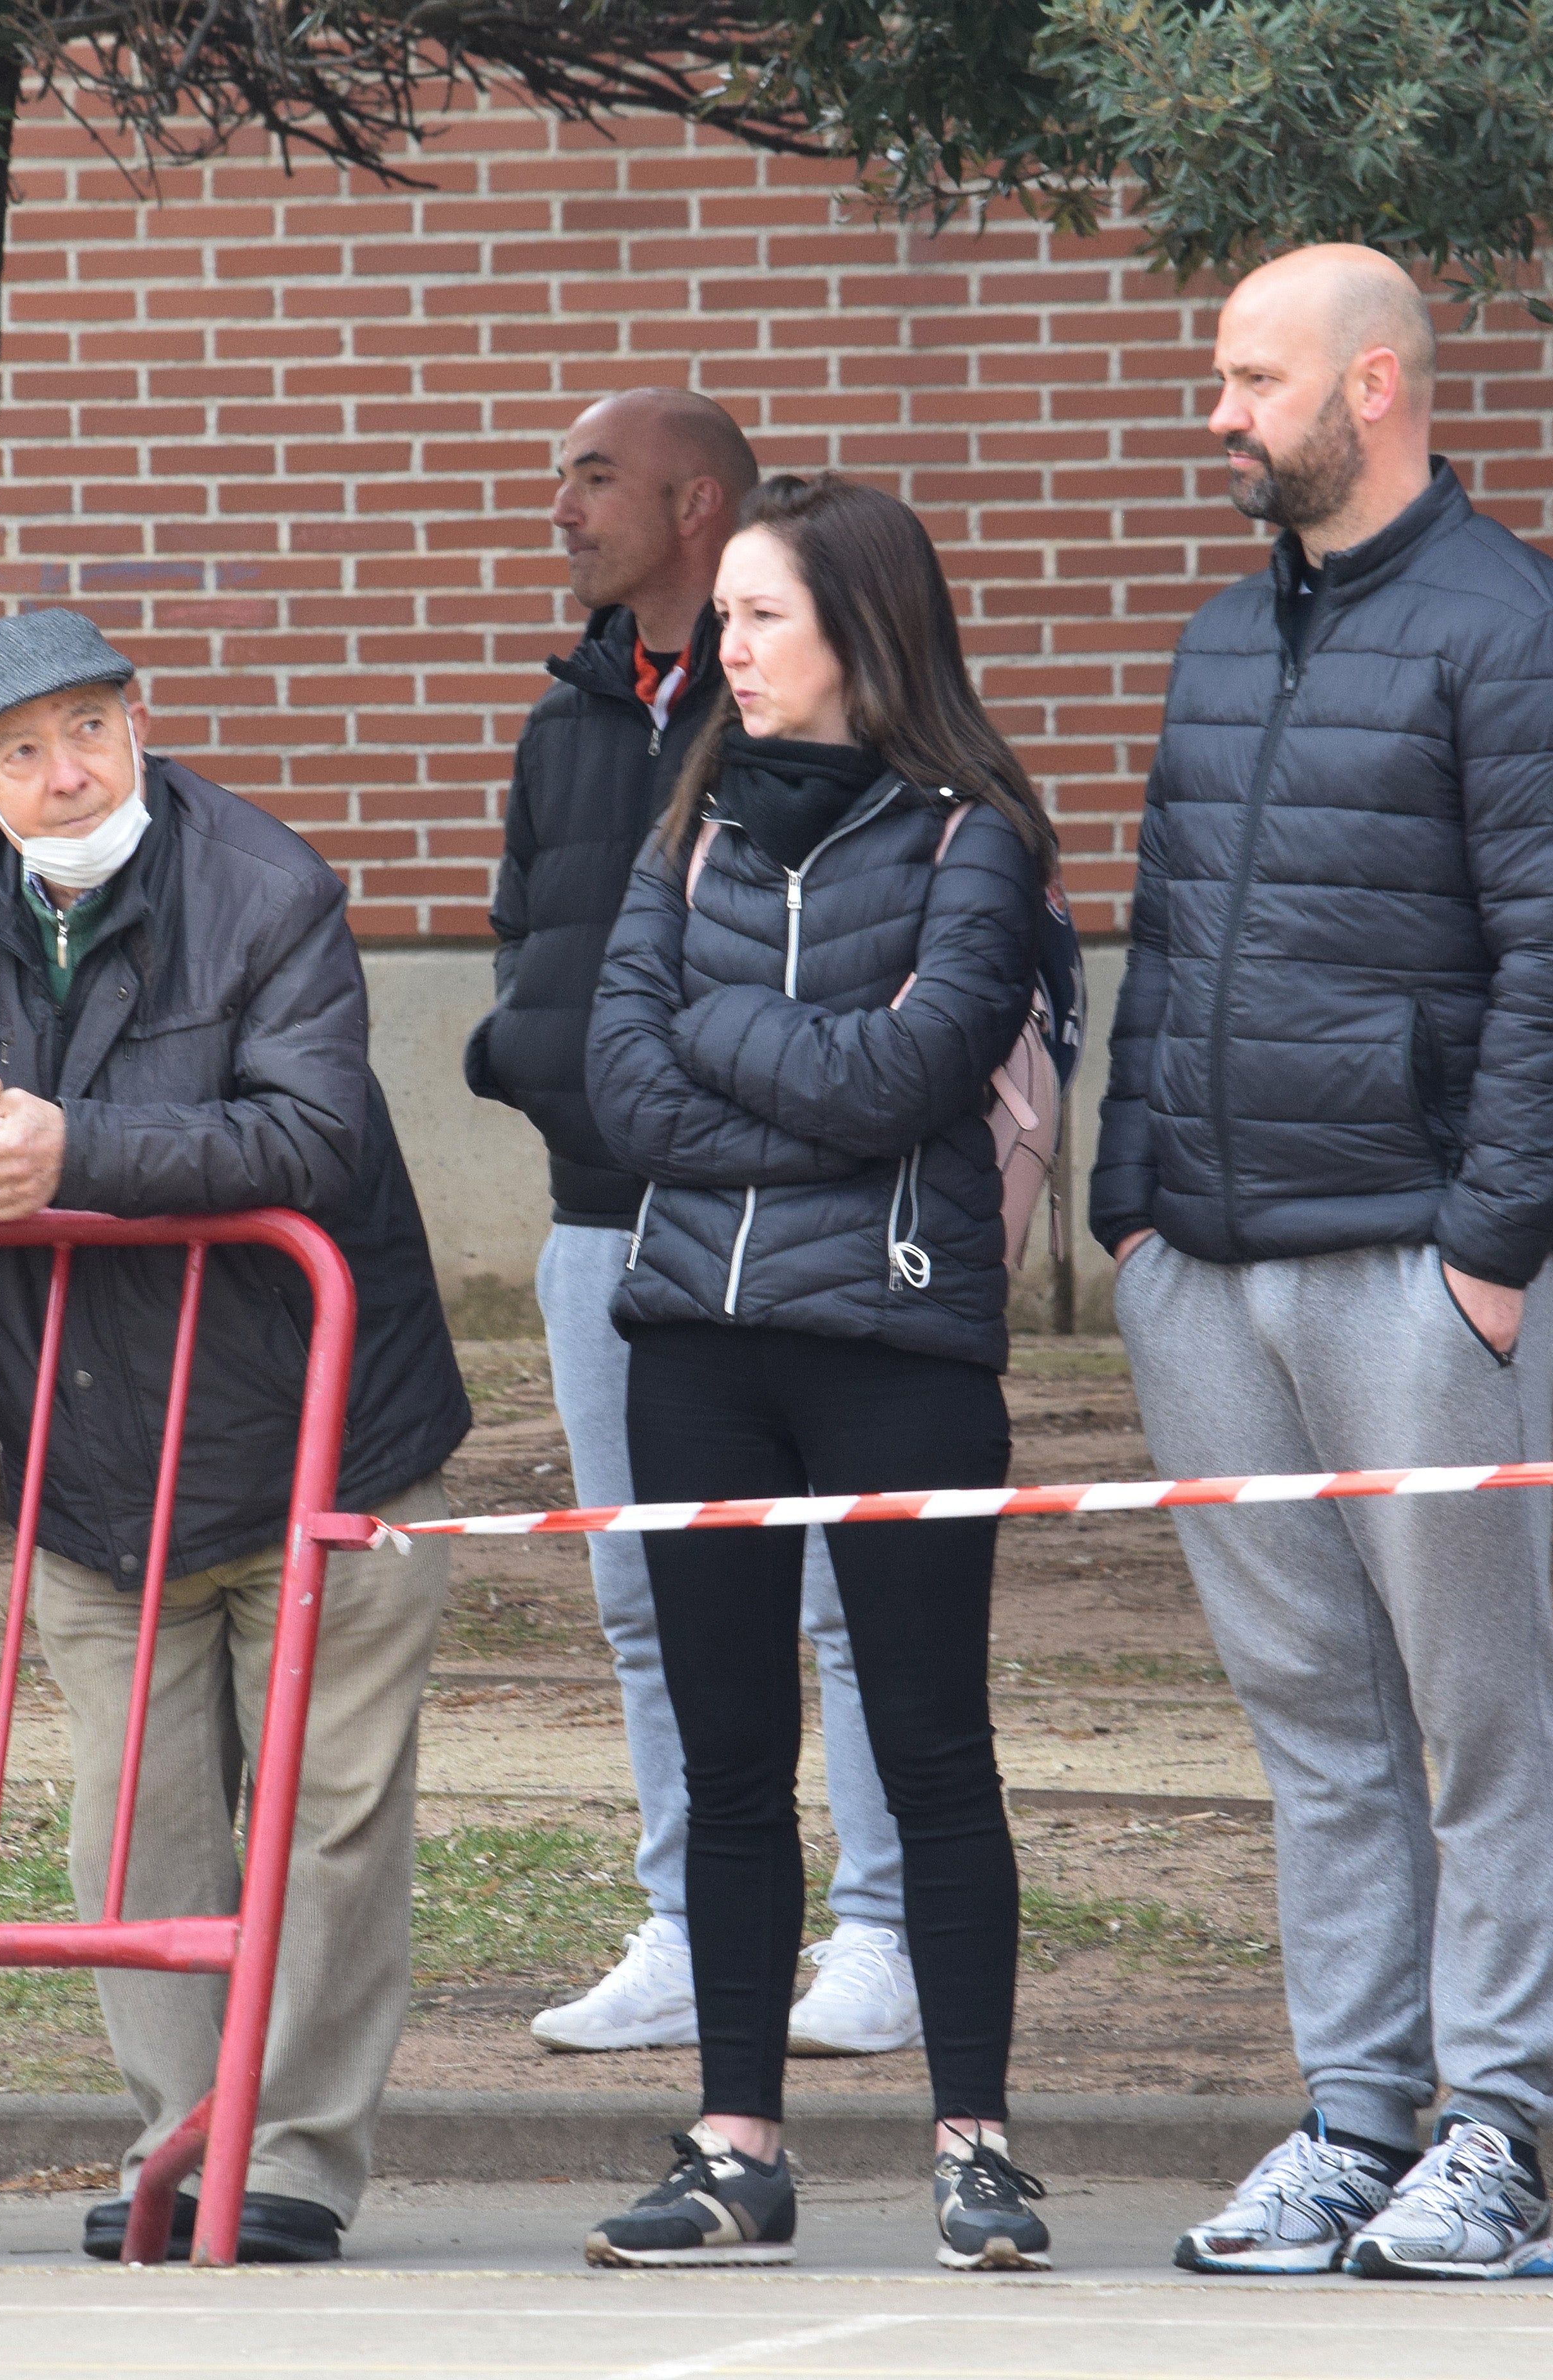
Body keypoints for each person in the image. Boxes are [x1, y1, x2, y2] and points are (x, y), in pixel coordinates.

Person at [1094, 246, 1553, 2284]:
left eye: (1248, 380)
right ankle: (1350, 2121)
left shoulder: (1524, 640)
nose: (1215, 415)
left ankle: (1490, 2134)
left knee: (1472, 1711)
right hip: (1206, 1268)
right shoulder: (1222, 642)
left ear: (1375, 386)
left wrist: (1486, 1260)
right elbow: (1156, 943)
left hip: (1416, 1266)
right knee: (1307, 1717)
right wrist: (1132, 1215)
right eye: (1217, 379)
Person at [0, 609, 471, 2265]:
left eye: (90, 728)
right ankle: (176, 2148)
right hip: (91, 1456)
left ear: (140, 720)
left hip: (328, 1442)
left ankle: (294, 2161)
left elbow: (309, 1134)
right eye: (23, 752)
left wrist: (69, 1148)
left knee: (330, 1824)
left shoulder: (268, 884)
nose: (66, 771)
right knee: (134, 1831)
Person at [579, 475, 1068, 2274]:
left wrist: (724, 1053)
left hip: (896, 1354)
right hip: (693, 1358)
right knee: (726, 1768)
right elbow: (612, 1086)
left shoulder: (973, 840)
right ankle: (732, 2145)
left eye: (762, 617)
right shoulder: (685, 826)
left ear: (864, 631)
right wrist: (795, 1072)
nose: (728, 650)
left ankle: (974, 2145)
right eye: (725, 621)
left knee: (932, 1749)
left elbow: (913, 1077)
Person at [468, 387, 921, 2063]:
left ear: (695, 503)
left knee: (835, 1599)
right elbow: (536, 941)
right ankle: (686, 1924)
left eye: (590, 477)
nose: (559, 509)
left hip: (801, 1233)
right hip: (608, 1230)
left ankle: (875, 1934)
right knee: (645, 1596)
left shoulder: (810, 722)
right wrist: (527, 1060)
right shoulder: (570, 713)